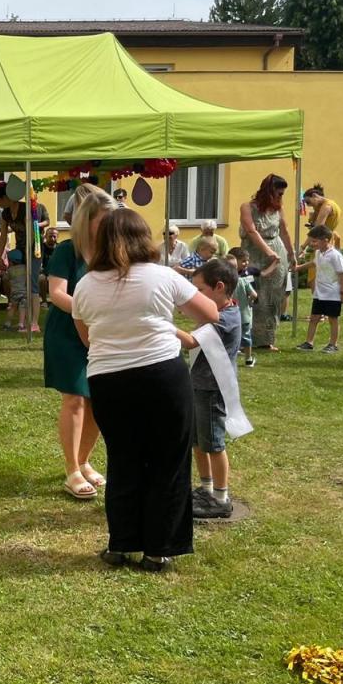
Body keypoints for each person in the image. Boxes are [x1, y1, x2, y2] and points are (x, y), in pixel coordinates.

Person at [72, 210, 219, 572]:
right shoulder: (162, 275)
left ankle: (121, 545)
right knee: (168, 460)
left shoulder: (85, 285)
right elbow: (210, 313)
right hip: (161, 375)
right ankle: (159, 549)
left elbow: (87, 338)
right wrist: (167, 327)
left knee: (123, 459)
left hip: (108, 379)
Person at [44, 184, 116, 500]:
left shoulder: (110, 252)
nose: (110, 226)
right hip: (66, 333)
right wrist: (87, 310)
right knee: (74, 398)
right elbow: (56, 293)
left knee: (98, 401)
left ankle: (84, 461)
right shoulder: (67, 251)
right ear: (87, 220)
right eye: (104, 220)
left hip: (100, 332)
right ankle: (72, 469)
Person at [175, 259, 243, 520]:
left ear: (219, 287)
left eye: (200, 290)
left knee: (213, 444)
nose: (197, 296)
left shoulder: (226, 318)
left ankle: (221, 498)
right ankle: (206, 488)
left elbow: (191, 342)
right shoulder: (216, 312)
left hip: (213, 390)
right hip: (199, 386)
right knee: (198, 441)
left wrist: (163, 326)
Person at [240, 174, 294, 351]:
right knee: (254, 296)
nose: (280, 197)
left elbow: (284, 231)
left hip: (277, 254)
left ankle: (266, 340)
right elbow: (251, 231)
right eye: (278, 193)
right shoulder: (247, 207)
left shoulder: (278, 208)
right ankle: (247, 338)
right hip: (254, 254)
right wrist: (268, 251)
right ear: (268, 191)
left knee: (273, 298)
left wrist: (291, 254)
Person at [291, 224, 343, 353]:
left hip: (333, 293)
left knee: (333, 318)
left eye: (314, 241)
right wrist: (298, 268)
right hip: (320, 292)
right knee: (314, 317)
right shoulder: (318, 253)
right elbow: (313, 263)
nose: (312, 244)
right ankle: (309, 342)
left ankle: (333, 344)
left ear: (325, 240)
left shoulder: (335, 255)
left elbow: (342, 274)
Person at [226, 248, 259, 368]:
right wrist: (249, 302)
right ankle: (248, 359)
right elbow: (254, 295)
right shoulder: (243, 281)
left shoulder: (224, 283)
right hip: (244, 315)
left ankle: (229, 358)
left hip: (229, 314)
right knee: (246, 337)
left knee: (230, 337)